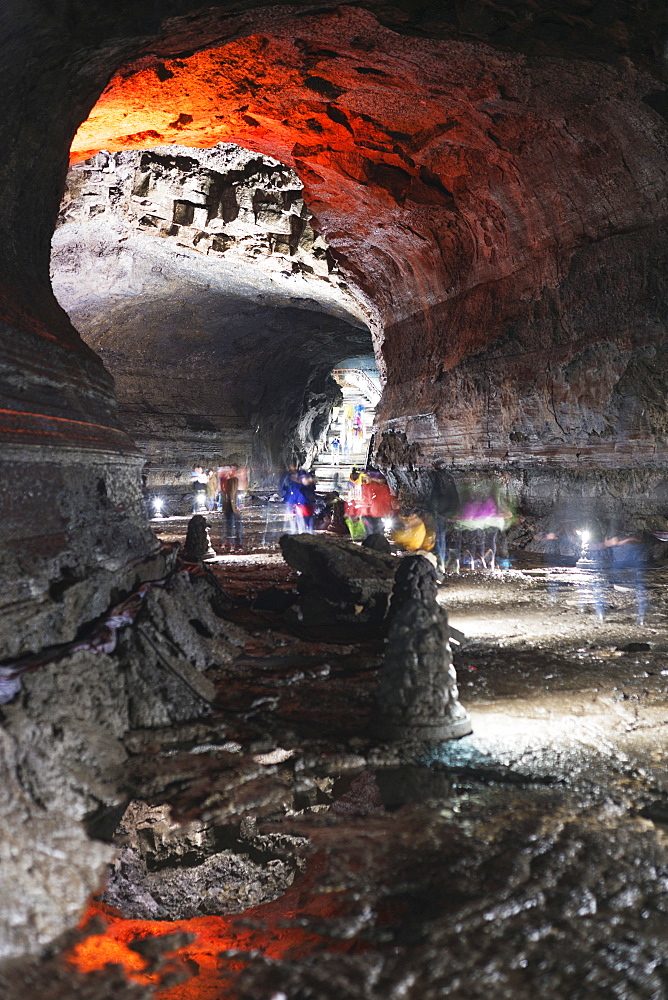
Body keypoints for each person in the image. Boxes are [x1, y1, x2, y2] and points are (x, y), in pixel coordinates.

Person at [220, 466, 243, 552]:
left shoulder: (233, 480)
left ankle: (235, 543)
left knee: (235, 525)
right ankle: (231, 542)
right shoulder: (227, 480)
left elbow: (231, 492)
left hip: (233, 506)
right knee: (230, 525)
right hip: (230, 506)